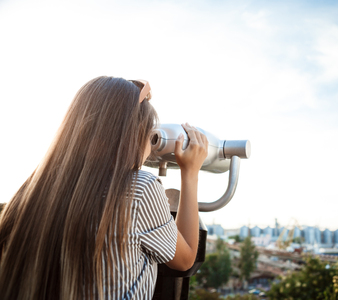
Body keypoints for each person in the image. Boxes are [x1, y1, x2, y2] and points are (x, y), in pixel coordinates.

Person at [0, 76, 208, 299]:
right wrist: (190, 173)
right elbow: (185, 260)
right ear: (130, 135)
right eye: (149, 134)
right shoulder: (140, 190)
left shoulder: (27, 195)